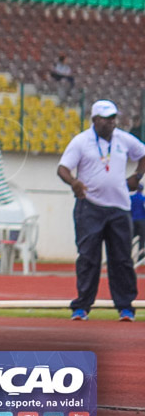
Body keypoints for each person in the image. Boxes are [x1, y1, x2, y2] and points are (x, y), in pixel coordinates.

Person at [57, 99, 145, 322]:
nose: (111, 123)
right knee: (88, 258)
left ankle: (125, 307)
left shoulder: (123, 139)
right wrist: (74, 183)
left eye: (113, 118)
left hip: (120, 208)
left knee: (122, 259)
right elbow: (63, 168)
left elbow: (143, 154)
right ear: (95, 120)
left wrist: (137, 177)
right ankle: (82, 306)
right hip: (90, 207)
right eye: (106, 119)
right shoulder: (81, 141)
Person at [132, 183, 145, 264]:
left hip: (132, 221)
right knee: (142, 240)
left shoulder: (131, 198)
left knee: (129, 239)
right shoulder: (143, 199)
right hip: (141, 221)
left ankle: (126, 256)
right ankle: (140, 258)